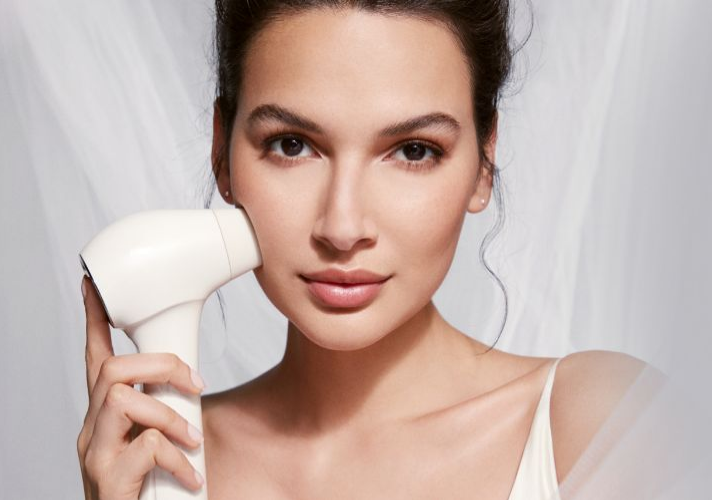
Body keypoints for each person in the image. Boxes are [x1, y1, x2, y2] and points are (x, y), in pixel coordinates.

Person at [76, 1, 665, 498]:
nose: (342, 225)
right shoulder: (165, 462)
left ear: (484, 163)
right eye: (292, 145)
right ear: (221, 151)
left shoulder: (603, 423)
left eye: (412, 151)